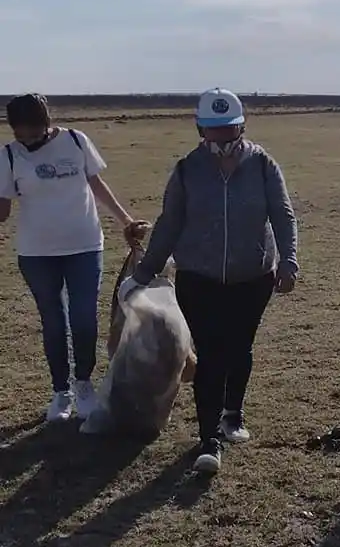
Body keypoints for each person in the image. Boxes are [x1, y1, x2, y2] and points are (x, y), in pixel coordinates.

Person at [117, 88, 299, 475]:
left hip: (254, 277)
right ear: (200, 128)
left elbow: (282, 215)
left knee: (240, 348)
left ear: (242, 126)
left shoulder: (264, 165)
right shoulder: (187, 170)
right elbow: (169, 224)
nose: (221, 139)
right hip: (199, 279)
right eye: (213, 131)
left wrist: (289, 261)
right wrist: (143, 274)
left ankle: (234, 412)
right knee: (213, 354)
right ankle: (209, 438)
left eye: (230, 130)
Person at [0, 93, 147, 422]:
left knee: (83, 318)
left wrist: (126, 221)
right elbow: (2, 211)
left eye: (34, 134)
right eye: (21, 135)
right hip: (37, 254)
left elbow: (96, 183)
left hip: (84, 246)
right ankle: (60, 392)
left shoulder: (76, 141)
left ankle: (83, 384)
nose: (29, 142)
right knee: (53, 321)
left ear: (47, 123)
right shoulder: (9, 156)